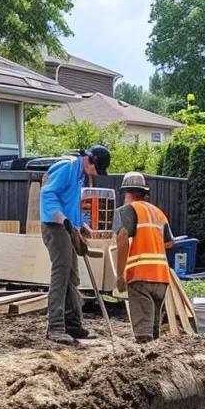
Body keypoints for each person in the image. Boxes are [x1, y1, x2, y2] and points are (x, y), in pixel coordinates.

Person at [39, 145, 112, 345]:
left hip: (68, 227)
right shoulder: (67, 168)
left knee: (73, 276)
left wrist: (79, 228)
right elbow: (48, 194)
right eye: (95, 168)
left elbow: (73, 205)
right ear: (89, 160)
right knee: (61, 273)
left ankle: (73, 324)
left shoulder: (81, 176)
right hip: (54, 225)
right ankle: (55, 327)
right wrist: (63, 220)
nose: (96, 173)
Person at [112, 172, 176, 343]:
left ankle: (144, 365)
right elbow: (170, 243)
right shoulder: (158, 213)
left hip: (140, 275)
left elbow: (122, 238)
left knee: (143, 332)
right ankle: (156, 362)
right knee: (154, 330)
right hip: (161, 277)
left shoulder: (126, 210)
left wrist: (120, 275)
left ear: (128, 193)